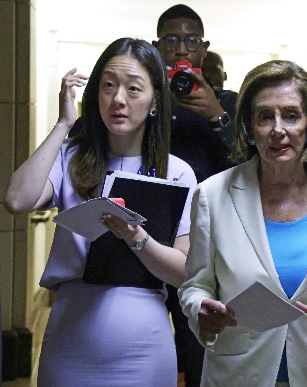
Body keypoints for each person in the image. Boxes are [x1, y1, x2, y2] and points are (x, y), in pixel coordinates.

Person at [3, 38, 197, 386]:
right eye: (108, 86)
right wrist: (64, 125)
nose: (118, 99)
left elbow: (184, 272)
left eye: (133, 88)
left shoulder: (177, 172)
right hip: (70, 339)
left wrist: (138, 239)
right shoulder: (70, 158)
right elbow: (17, 200)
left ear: (155, 101)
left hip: (145, 347)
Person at [178, 60, 307, 386]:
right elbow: (194, 285)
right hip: (239, 372)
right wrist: (199, 307)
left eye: (290, 115)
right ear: (248, 125)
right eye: (264, 116)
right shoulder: (212, 195)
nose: (277, 129)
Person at [152, 6, 239, 385]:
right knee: (151, 343)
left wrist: (218, 115)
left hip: (212, 243)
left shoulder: (231, 104)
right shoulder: (146, 102)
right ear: (158, 48)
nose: (181, 49)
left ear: (203, 48)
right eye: (172, 40)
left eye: (190, 41)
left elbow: (255, 165)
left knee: (200, 346)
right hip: (153, 239)